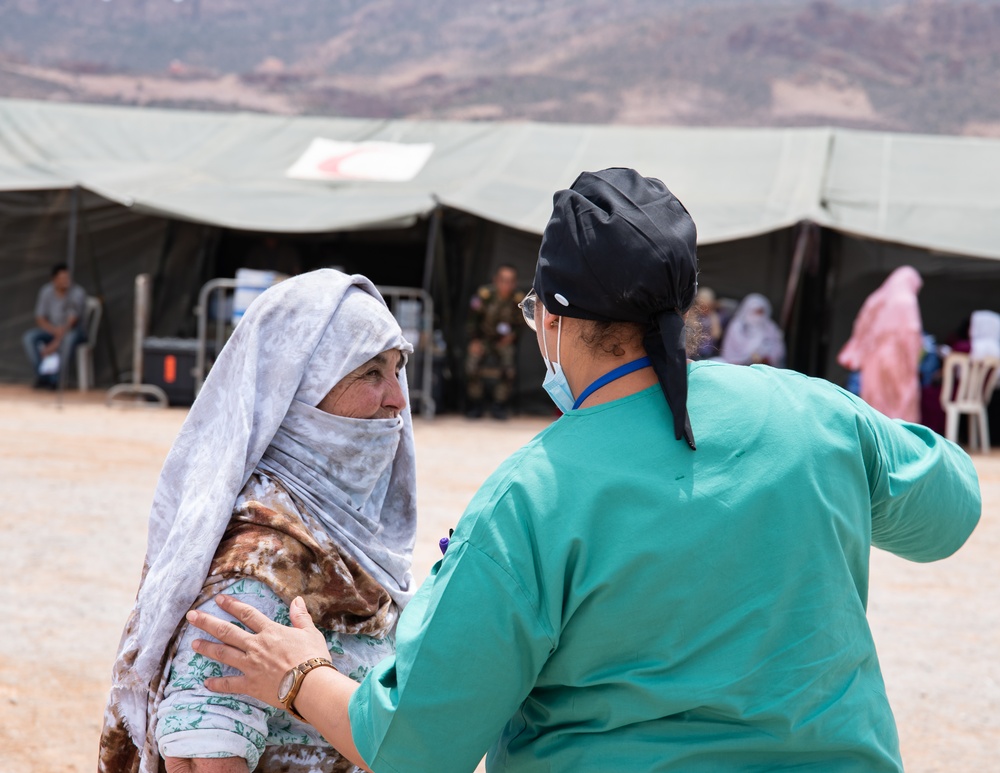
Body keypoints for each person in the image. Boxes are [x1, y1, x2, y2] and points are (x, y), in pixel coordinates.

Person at [185, 169, 980, 773]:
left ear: (553, 320)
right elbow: (951, 511)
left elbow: (417, 746)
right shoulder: (813, 414)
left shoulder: (533, 499)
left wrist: (300, 677)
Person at [98, 269, 418, 773]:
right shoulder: (262, 563)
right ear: (298, 386)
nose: (399, 398)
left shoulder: (337, 529)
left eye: (398, 369)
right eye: (371, 372)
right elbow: (202, 756)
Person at [837, 266, 924, 422]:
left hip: (873, 359)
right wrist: (913, 363)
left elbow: (861, 326)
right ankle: (896, 444)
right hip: (897, 360)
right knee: (899, 407)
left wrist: (860, 351)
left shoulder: (877, 298)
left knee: (874, 405)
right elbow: (911, 335)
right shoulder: (906, 301)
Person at [464, 264, 526, 419]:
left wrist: (512, 336)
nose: (506, 285)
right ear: (496, 280)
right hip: (482, 338)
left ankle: (499, 404)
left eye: (510, 281)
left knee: (509, 367)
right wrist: (475, 340)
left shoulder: (518, 300)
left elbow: (521, 323)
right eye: (503, 280)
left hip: (503, 341)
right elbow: (471, 320)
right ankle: (475, 403)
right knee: (472, 364)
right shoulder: (484, 295)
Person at [22, 262, 88, 388]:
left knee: (68, 339)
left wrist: (55, 343)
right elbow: (40, 317)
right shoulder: (46, 291)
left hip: (73, 331)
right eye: (62, 278)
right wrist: (53, 331)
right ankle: (43, 376)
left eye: (67, 278)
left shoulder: (77, 292)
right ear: (54, 279)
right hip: (53, 330)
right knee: (29, 337)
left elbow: (72, 321)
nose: (65, 281)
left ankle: (56, 379)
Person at [719, 292, 786, 367]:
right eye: (755, 312)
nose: (758, 316)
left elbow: (777, 349)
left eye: (760, 312)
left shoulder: (770, 328)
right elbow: (730, 352)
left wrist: (766, 358)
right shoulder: (737, 326)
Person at [690, 286, 722, 359]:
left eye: (707, 305)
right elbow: (691, 331)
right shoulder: (692, 313)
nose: (704, 309)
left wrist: (712, 315)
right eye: (702, 305)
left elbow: (716, 335)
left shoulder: (713, 316)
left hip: (708, 353)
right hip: (693, 352)